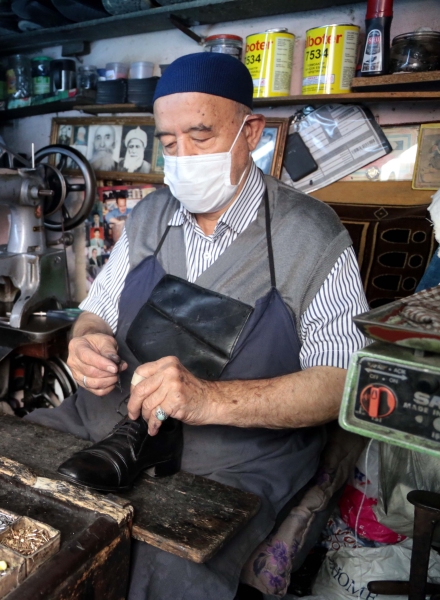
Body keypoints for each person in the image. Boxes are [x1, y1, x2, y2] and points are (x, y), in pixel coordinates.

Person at [26, 52, 369, 600]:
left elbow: (339, 383)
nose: (182, 156)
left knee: (154, 575)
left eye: (201, 136)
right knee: (9, 501)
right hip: (105, 427)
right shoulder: (150, 216)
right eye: (168, 141)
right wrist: (85, 340)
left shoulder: (310, 235)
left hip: (230, 463)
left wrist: (209, 399)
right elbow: (99, 311)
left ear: (249, 130)